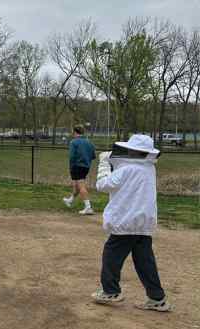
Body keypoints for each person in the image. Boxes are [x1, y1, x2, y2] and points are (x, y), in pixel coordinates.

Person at [92, 134, 172, 312]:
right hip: (143, 223)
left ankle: (110, 291)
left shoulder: (127, 170)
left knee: (111, 255)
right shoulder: (149, 169)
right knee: (144, 261)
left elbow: (103, 185)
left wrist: (104, 164)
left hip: (126, 223)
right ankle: (157, 298)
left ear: (134, 151)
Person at [63, 125, 96, 215]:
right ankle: (70, 200)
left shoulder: (74, 142)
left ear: (75, 132)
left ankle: (88, 207)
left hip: (77, 166)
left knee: (81, 186)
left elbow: (72, 156)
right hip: (86, 166)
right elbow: (93, 156)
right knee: (78, 185)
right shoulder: (89, 143)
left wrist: (71, 166)